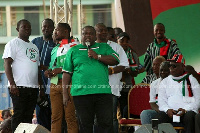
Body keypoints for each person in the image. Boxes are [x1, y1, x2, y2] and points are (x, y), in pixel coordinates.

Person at [62, 26, 120, 133]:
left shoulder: (104, 47)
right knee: (85, 125)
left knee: (106, 124)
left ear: (95, 36)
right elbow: (66, 73)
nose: (87, 36)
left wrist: (98, 56)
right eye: (85, 33)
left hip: (102, 92)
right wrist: (65, 93)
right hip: (81, 94)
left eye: (91, 33)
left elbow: (116, 59)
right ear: (81, 36)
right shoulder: (73, 51)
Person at [2, 19, 39, 132]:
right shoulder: (13, 43)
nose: (27, 29)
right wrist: (12, 84)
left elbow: (36, 68)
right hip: (18, 86)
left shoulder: (34, 47)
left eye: (29, 27)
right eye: (24, 27)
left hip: (33, 87)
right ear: (18, 29)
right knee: (18, 115)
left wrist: (40, 88)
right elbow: (7, 63)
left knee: (28, 117)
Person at [44, 23, 79, 133]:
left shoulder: (75, 45)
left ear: (65, 32)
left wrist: (60, 70)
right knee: (55, 118)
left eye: (57, 30)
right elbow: (52, 66)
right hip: (54, 83)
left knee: (70, 117)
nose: (55, 32)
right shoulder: (55, 48)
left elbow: (77, 65)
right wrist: (48, 71)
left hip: (69, 83)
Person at [94, 23, 129, 133]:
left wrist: (112, 70)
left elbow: (124, 65)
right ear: (95, 33)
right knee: (96, 119)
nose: (104, 32)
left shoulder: (116, 46)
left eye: (105, 30)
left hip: (111, 88)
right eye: (100, 30)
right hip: (94, 88)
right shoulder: (91, 47)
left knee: (112, 118)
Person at [155, 54, 200, 133]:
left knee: (190, 117)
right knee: (159, 117)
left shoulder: (192, 80)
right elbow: (161, 101)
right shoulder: (165, 81)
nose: (171, 68)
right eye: (170, 66)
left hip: (186, 113)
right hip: (170, 113)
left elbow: (198, 100)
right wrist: (167, 110)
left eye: (174, 66)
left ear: (182, 66)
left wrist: (185, 109)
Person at [32, 18, 56, 131]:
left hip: (52, 83)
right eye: (44, 26)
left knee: (54, 114)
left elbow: (60, 63)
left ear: (53, 28)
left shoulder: (56, 43)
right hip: (37, 84)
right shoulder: (35, 41)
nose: (46, 28)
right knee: (40, 114)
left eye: (49, 26)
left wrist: (45, 68)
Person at [117, 32, 141, 117]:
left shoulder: (133, 54)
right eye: (122, 41)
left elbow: (135, 73)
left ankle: (125, 129)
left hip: (126, 87)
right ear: (117, 41)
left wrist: (128, 70)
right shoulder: (112, 53)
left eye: (126, 41)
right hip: (113, 87)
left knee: (125, 111)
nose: (124, 43)